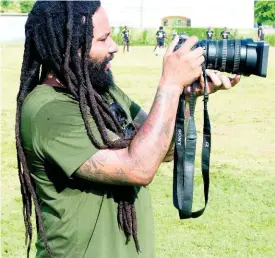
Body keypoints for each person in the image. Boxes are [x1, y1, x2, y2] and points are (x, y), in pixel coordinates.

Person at [15, 1, 241, 257]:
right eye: (103, 39)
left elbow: (161, 152)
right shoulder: (48, 110)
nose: (113, 47)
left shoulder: (101, 90)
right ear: (71, 45)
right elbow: (139, 167)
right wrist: (169, 85)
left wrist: (184, 98)